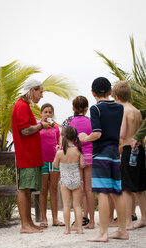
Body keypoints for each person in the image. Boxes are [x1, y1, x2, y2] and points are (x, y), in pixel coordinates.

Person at [79, 77, 129, 242]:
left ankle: (103, 233)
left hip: (101, 153)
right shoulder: (119, 108)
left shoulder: (96, 109)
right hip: (115, 153)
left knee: (102, 192)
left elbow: (98, 133)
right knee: (117, 191)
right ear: (110, 92)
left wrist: (85, 138)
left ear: (93, 93)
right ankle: (122, 230)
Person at [12, 78, 52, 233]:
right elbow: (25, 130)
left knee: (28, 189)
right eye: (40, 92)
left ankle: (29, 223)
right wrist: (41, 125)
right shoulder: (21, 106)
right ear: (33, 90)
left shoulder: (24, 106)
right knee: (24, 189)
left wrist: (40, 125)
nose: (41, 96)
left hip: (31, 155)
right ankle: (25, 225)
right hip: (26, 155)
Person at [112, 81, 146, 230]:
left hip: (127, 150)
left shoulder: (123, 110)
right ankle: (144, 218)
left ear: (117, 96)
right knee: (139, 187)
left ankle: (127, 221)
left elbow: (122, 133)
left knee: (125, 187)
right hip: (140, 150)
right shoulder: (137, 111)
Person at [62, 96, 95, 229]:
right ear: (86, 108)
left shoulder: (70, 122)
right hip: (90, 156)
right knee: (89, 190)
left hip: (77, 156)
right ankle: (92, 222)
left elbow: (66, 141)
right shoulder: (91, 121)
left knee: (79, 190)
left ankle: (79, 221)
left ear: (73, 108)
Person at [53, 126, 85, 234]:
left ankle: (67, 229)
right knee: (77, 205)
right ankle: (80, 228)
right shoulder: (78, 151)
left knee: (66, 205)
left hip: (64, 181)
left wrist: (57, 152)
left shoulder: (60, 153)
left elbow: (55, 165)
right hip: (76, 179)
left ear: (64, 137)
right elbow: (83, 165)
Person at [39, 103, 64, 227]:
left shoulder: (56, 128)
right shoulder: (38, 127)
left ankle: (55, 219)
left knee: (54, 189)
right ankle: (44, 219)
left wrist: (60, 147)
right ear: (41, 113)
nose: (48, 114)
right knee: (43, 190)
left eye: (50, 112)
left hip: (55, 161)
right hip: (42, 161)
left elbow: (59, 142)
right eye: (46, 112)